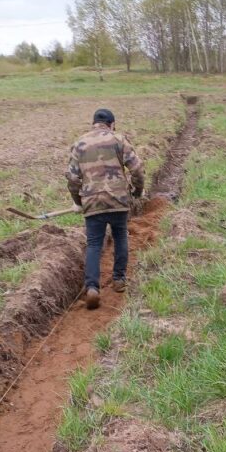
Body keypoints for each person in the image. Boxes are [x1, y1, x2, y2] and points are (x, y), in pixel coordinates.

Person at [66, 108, 145, 310]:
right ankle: (119, 279)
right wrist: (137, 191)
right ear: (112, 123)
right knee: (120, 236)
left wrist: (77, 201)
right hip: (118, 199)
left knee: (93, 244)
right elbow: (136, 169)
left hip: (92, 201)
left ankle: (92, 287)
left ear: (93, 123)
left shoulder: (79, 143)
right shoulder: (119, 139)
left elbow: (73, 178)